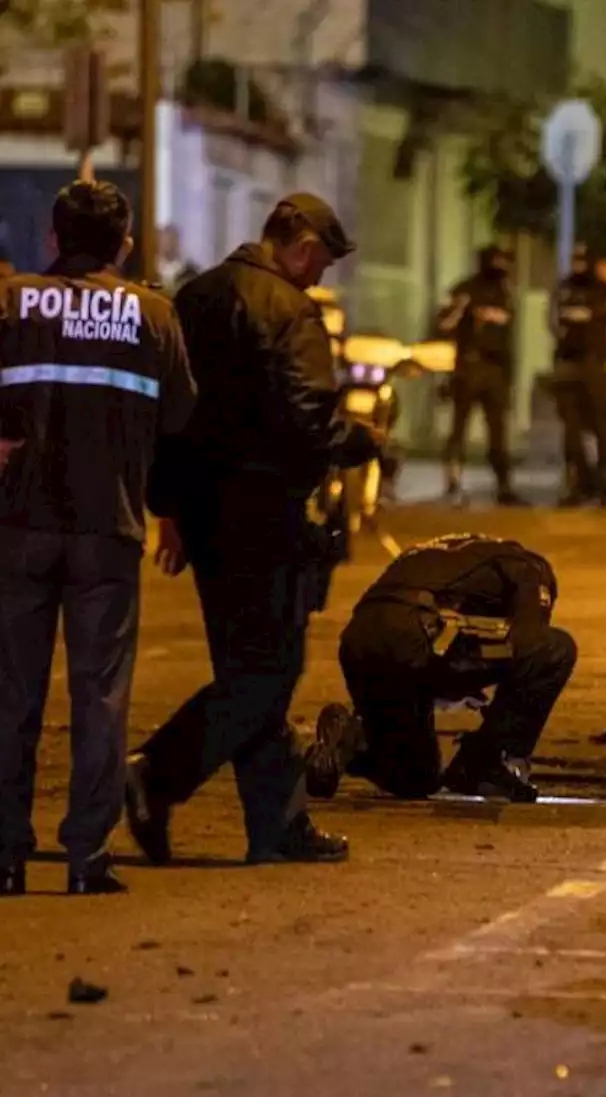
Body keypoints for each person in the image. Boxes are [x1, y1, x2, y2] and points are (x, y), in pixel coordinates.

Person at [124, 193, 380, 867]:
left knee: (245, 669)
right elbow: (307, 416)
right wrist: (359, 440)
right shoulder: (290, 310)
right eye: (321, 260)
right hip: (264, 512)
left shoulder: (195, 297)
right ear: (299, 246)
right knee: (269, 671)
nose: (321, 275)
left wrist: (169, 508)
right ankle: (158, 772)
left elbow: (168, 416)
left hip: (205, 515)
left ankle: (278, 826)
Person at [0, 180, 196, 896]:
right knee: (101, 696)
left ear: (53, 240)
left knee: (11, 694)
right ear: (124, 244)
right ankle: (87, 858)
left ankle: (5, 855)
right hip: (108, 527)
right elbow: (180, 419)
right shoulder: (153, 314)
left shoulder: (12, 301)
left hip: (17, 525)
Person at [305, 533, 576, 805]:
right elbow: (529, 642)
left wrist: (458, 682)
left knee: (417, 778)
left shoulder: (453, 553)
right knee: (555, 649)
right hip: (412, 635)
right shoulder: (531, 568)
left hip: (359, 642)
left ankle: (351, 740)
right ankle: (489, 763)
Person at [436, 245, 524, 506]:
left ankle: (504, 485)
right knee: (459, 428)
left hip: (496, 370)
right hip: (469, 367)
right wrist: (459, 308)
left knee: (498, 430)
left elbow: (509, 340)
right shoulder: (465, 289)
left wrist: (510, 374)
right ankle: (453, 484)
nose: (501, 266)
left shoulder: (506, 293)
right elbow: (443, 325)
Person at [550, 244, 606, 506]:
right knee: (572, 428)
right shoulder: (563, 289)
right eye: (575, 258)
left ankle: (604, 483)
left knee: (603, 427)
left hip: (597, 366)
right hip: (569, 365)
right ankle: (578, 482)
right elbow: (553, 323)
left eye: (584, 259)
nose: (578, 263)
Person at [157, 225, 199, 295]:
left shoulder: (188, 270)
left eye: (171, 239)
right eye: (163, 240)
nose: (166, 243)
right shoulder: (152, 268)